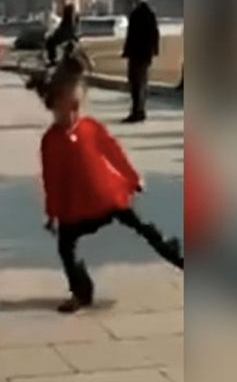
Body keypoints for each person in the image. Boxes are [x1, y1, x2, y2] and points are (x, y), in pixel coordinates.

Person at [28, 49, 183, 314]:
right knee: (67, 249)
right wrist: (52, 213)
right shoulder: (51, 141)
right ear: (54, 104)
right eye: (69, 105)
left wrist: (133, 178)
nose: (75, 111)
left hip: (106, 194)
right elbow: (51, 180)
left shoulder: (91, 127)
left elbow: (113, 152)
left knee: (143, 226)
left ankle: (174, 254)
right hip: (76, 207)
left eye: (78, 104)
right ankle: (81, 292)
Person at [121, 0, 160, 123]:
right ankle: (140, 110)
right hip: (144, 54)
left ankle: (137, 111)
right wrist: (154, 51)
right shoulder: (149, 13)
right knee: (141, 82)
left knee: (136, 83)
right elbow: (155, 34)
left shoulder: (137, 14)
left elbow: (131, 36)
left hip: (137, 54)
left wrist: (127, 51)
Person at [44, 2, 79, 66]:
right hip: (69, 35)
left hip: (65, 35)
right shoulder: (73, 19)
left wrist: (52, 33)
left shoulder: (68, 20)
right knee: (51, 41)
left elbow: (61, 28)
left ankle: (53, 60)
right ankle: (66, 58)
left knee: (50, 41)